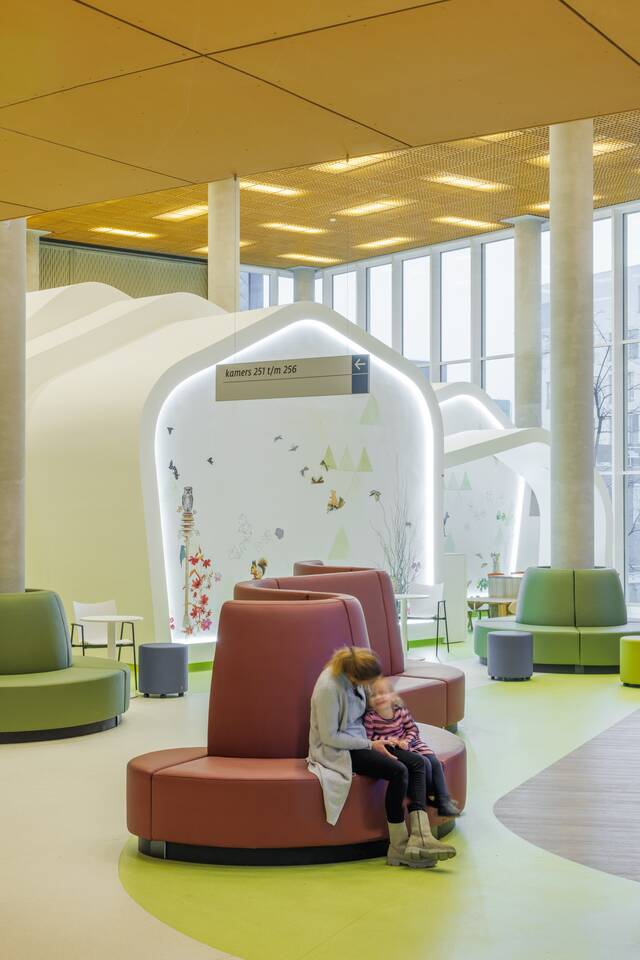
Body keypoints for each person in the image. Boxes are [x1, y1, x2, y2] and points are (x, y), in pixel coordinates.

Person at [308, 646, 452, 868]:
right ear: (353, 675)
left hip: (365, 739)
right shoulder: (329, 687)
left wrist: (391, 732)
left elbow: (371, 709)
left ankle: (421, 838)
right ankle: (398, 847)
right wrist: (371, 744)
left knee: (418, 762)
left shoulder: (358, 676)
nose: (370, 687)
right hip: (339, 749)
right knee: (398, 771)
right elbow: (329, 737)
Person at [364, 676, 461, 818]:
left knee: (434, 762)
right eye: (374, 695)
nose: (379, 697)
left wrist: (406, 741)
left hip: (412, 744)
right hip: (393, 749)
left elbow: (413, 730)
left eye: (383, 693)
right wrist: (388, 740)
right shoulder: (371, 718)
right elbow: (369, 738)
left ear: (392, 695)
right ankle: (429, 795)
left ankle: (443, 800)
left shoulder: (400, 712)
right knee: (424, 765)